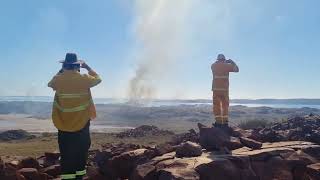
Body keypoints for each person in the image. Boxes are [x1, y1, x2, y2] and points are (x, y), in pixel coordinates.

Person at [48, 53, 101, 180]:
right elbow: (98, 79)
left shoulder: (59, 80)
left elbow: (51, 83)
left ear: (65, 65)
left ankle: (67, 178)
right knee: (81, 152)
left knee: (66, 154)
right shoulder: (84, 79)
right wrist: (87, 67)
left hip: (63, 123)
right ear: (77, 66)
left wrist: (62, 70)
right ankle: (79, 177)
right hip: (82, 123)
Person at [211, 54, 239, 128]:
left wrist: (223, 62)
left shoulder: (213, 65)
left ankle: (218, 123)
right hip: (224, 90)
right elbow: (237, 70)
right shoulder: (227, 66)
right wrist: (232, 62)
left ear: (217, 59)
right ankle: (225, 123)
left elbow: (217, 65)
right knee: (225, 106)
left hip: (216, 89)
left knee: (216, 106)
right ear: (224, 59)